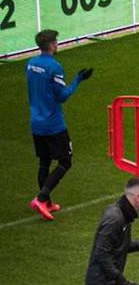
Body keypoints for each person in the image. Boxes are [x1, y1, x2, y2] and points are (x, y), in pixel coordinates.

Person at [26, 29, 92, 220]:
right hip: (53, 124)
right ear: (51, 44)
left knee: (44, 161)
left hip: (36, 122)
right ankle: (41, 198)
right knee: (65, 161)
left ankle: (46, 204)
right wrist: (78, 80)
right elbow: (62, 96)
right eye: (56, 41)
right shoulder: (54, 67)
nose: (58, 43)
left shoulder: (30, 64)